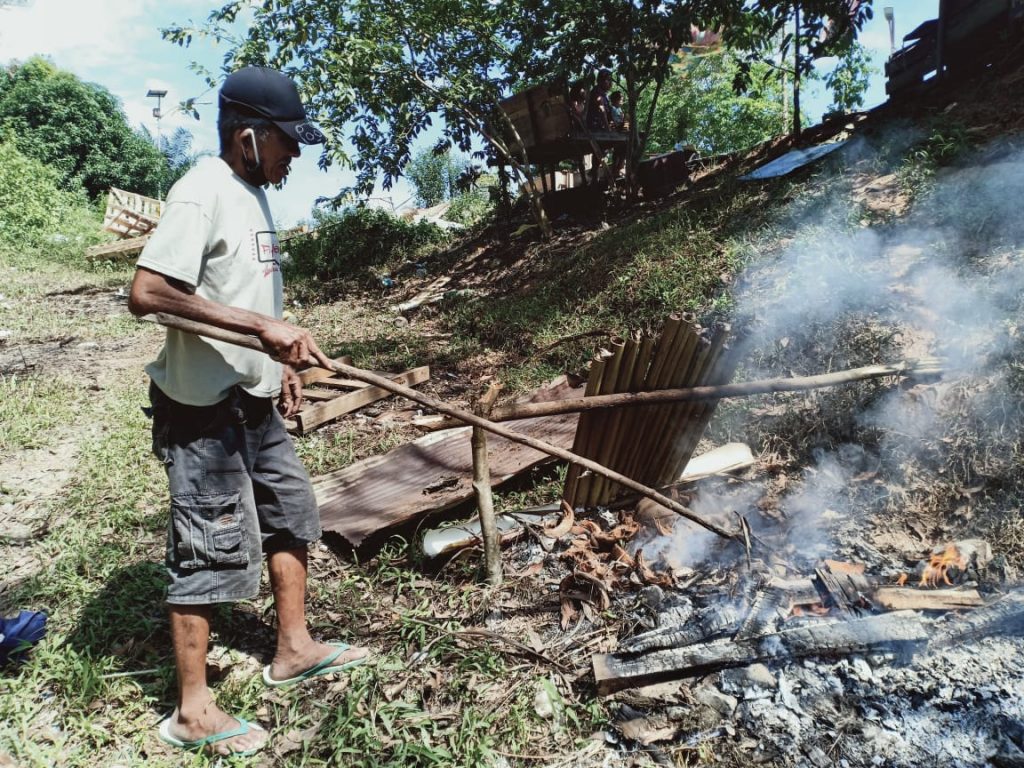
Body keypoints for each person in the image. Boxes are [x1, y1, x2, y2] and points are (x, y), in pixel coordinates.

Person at [128, 66, 369, 757]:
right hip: (202, 410)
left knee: (291, 511)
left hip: (253, 400)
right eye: (287, 142)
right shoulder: (201, 192)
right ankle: (192, 712)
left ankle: (292, 647)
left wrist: (282, 360)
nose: (295, 155)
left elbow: (247, 298)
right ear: (248, 136)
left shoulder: (253, 194)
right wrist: (258, 331)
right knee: (208, 543)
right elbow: (147, 292)